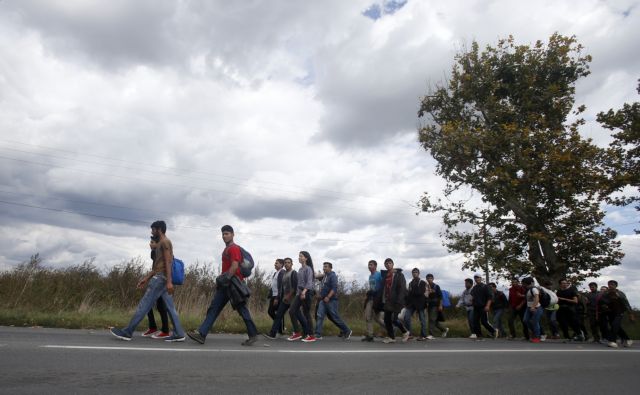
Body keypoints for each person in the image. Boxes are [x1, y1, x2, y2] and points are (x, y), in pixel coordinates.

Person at [110, 220, 185, 342]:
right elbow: (157, 266)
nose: (152, 232)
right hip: (161, 278)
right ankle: (179, 333)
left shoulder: (165, 242)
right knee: (170, 308)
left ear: (159, 229)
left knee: (144, 305)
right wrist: (146, 278)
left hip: (161, 279)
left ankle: (127, 332)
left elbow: (168, 262)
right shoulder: (161, 243)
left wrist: (169, 282)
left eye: (153, 229)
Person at [187, 225, 258, 346]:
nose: (225, 236)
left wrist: (224, 279)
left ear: (232, 234)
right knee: (214, 308)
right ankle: (202, 334)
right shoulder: (226, 249)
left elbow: (235, 266)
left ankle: (253, 335)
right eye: (223, 234)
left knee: (242, 309)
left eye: (227, 233)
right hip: (227, 285)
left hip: (233, 284)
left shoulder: (233, 248)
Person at [314, 262, 352, 340]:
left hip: (331, 300)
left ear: (330, 268)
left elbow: (334, 288)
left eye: (326, 267)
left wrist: (328, 296)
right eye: (323, 267)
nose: (324, 268)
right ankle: (318, 334)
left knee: (335, 317)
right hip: (323, 300)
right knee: (319, 316)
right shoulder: (325, 276)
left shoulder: (333, 276)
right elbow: (315, 277)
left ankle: (347, 330)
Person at [142, 232, 170, 339]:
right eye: (150, 242)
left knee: (154, 304)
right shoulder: (155, 253)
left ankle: (163, 330)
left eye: (152, 242)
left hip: (161, 280)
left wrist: (146, 279)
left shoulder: (157, 252)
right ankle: (158, 328)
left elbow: (156, 270)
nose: (150, 244)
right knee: (159, 305)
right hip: (161, 280)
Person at [263, 257, 297, 339]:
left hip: (290, 298)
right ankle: (273, 333)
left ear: (291, 264)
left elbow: (294, 287)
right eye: (286, 262)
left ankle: (305, 332)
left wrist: (278, 297)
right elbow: (278, 286)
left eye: (288, 262)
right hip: (283, 298)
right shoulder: (280, 273)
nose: (286, 264)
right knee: (278, 315)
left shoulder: (287, 272)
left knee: (297, 315)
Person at [379, 258, 409, 343]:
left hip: (396, 301)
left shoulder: (399, 275)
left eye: (390, 263)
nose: (388, 265)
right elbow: (384, 289)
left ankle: (405, 332)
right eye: (386, 263)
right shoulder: (386, 275)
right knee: (387, 319)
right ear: (385, 265)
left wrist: (399, 301)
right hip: (388, 300)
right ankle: (392, 337)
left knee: (394, 319)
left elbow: (402, 288)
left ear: (393, 264)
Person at [598, 280, 635, 348]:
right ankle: (627, 339)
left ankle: (612, 341)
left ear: (615, 286)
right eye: (609, 284)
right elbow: (602, 302)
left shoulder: (620, 293)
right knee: (615, 326)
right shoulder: (606, 293)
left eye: (612, 284)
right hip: (610, 313)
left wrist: (631, 314)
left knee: (615, 325)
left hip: (619, 312)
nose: (610, 286)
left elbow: (626, 304)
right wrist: (604, 306)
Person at [288, 251, 315, 342]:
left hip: (306, 293)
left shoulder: (309, 269)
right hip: (299, 293)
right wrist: (298, 294)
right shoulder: (300, 269)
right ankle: (297, 333)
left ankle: (311, 335)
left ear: (306, 258)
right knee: (292, 311)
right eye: (299, 256)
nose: (299, 258)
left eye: (301, 256)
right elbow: (299, 283)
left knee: (306, 313)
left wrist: (304, 292)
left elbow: (309, 282)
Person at [362, 260, 385, 342]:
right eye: (368, 265)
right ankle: (370, 335)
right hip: (371, 298)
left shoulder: (379, 275)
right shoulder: (370, 276)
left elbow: (383, 286)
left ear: (375, 266)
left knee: (377, 318)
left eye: (371, 265)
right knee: (368, 317)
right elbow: (372, 287)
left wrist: (380, 296)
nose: (369, 266)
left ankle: (391, 328)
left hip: (377, 299)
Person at [403, 268, 427, 340]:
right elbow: (409, 294)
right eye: (413, 272)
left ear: (419, 273)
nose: (414, 273)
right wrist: (406, 303)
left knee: (422, 320)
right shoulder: (410, 283)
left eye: (416, 272)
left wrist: (412, 291)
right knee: (406, 318)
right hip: (411, 304)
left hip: (420, 304)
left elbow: (420, 292)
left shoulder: (422, 282)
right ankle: (410, 334)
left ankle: (423, 335)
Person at [470, 274, 496, 338]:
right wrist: (472, 300)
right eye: (475, 278)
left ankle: (493, 331)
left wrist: (487, 306)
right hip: (476, 307)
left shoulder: (485, 287)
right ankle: (479, 336)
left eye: (478, 278)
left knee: (484, 322)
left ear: (481, 278)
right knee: (475, 321)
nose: (476, 279)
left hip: (483, 306)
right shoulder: (474, 287)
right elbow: (473, 296)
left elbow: (490, 297)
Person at [425, 273, 449, 339]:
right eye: (428, 278)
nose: (429, 279)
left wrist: (440, 305)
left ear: (433, 279)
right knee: (434, 321)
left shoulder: (436, 286)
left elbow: (440, 296)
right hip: (429, 305)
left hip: (435, 305)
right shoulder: (426, 287)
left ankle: (431, 334)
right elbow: (425, 296)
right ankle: (444, 329)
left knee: (432, 320)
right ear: (426, 279)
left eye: (430, 278)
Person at [522, 277, 544, 343]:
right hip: (528, 307)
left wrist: (533, 307)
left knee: (535, 321)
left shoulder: (534, 289)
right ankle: (536, 333)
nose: (524, 285)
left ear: (531, 283)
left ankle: (537, 337)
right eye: (524, 284)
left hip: (536, 308)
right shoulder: (527, 289)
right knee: (525, 320)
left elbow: (537, 298)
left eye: (526, 284)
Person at [267, 259, 286, 336]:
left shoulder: (282, 272)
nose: (275, 264)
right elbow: (273, 285)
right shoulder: (275, 273)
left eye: (277, 263)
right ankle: (279, 328)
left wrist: (277, 298)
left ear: (281, 265)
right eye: (275, 263)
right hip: (273, 295)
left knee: (273, 312)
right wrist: (270, 295)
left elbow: (281, 286)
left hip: (278, 296)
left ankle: (277, 329)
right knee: (271, 312)